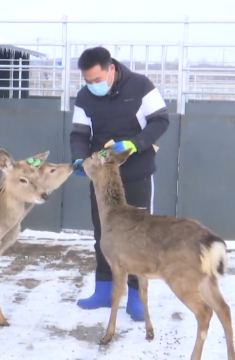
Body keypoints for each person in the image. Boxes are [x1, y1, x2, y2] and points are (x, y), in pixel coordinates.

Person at [69, 46, 169, 321]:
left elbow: (161, 120)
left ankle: (137, 295)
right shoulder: (84, 97)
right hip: (102, 177)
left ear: (111, 69)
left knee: (138, 234)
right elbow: (79, 133)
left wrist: (135, 144)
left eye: (97, 80)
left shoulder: (140, 86)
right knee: (103, 233)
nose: (93, 86)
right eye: (88, 82)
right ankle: (104, 289)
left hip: (136, 171)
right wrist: (79, 159)